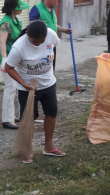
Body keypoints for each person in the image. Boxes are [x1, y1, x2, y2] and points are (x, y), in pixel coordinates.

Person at [5, 20, 66, 161]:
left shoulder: (51, 35)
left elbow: (54, 47)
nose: (38, 43)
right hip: (28, 88)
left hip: (48, 84)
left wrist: (51, 68)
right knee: (29, 119)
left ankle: (49, 147)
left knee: (51, 113)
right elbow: (9, 68)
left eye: (41, 41)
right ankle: (27, 149)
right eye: (35, 41)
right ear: (27, 34)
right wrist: (24, 84)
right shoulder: (19, 47)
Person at [0, 0, 30, 130]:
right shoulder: (6, 23)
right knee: (10, 88)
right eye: (19, 6)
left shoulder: (15, 20)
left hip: (15, 58)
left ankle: (10, 115)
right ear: (13, 8)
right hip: (8, 60)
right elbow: (2, 41)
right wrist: (4, 59)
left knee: (14, 88)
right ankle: (7, 120)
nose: (21, 8)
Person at [29, 0, 72, 71]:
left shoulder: (52, 9)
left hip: (51, 44)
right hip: (41, 44)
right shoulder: (36, 9)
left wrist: (64, 30)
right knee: (41, 67)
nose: (56, 0)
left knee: (51, 67)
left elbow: (53, 25)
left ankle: (50, 82)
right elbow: (32, 26)